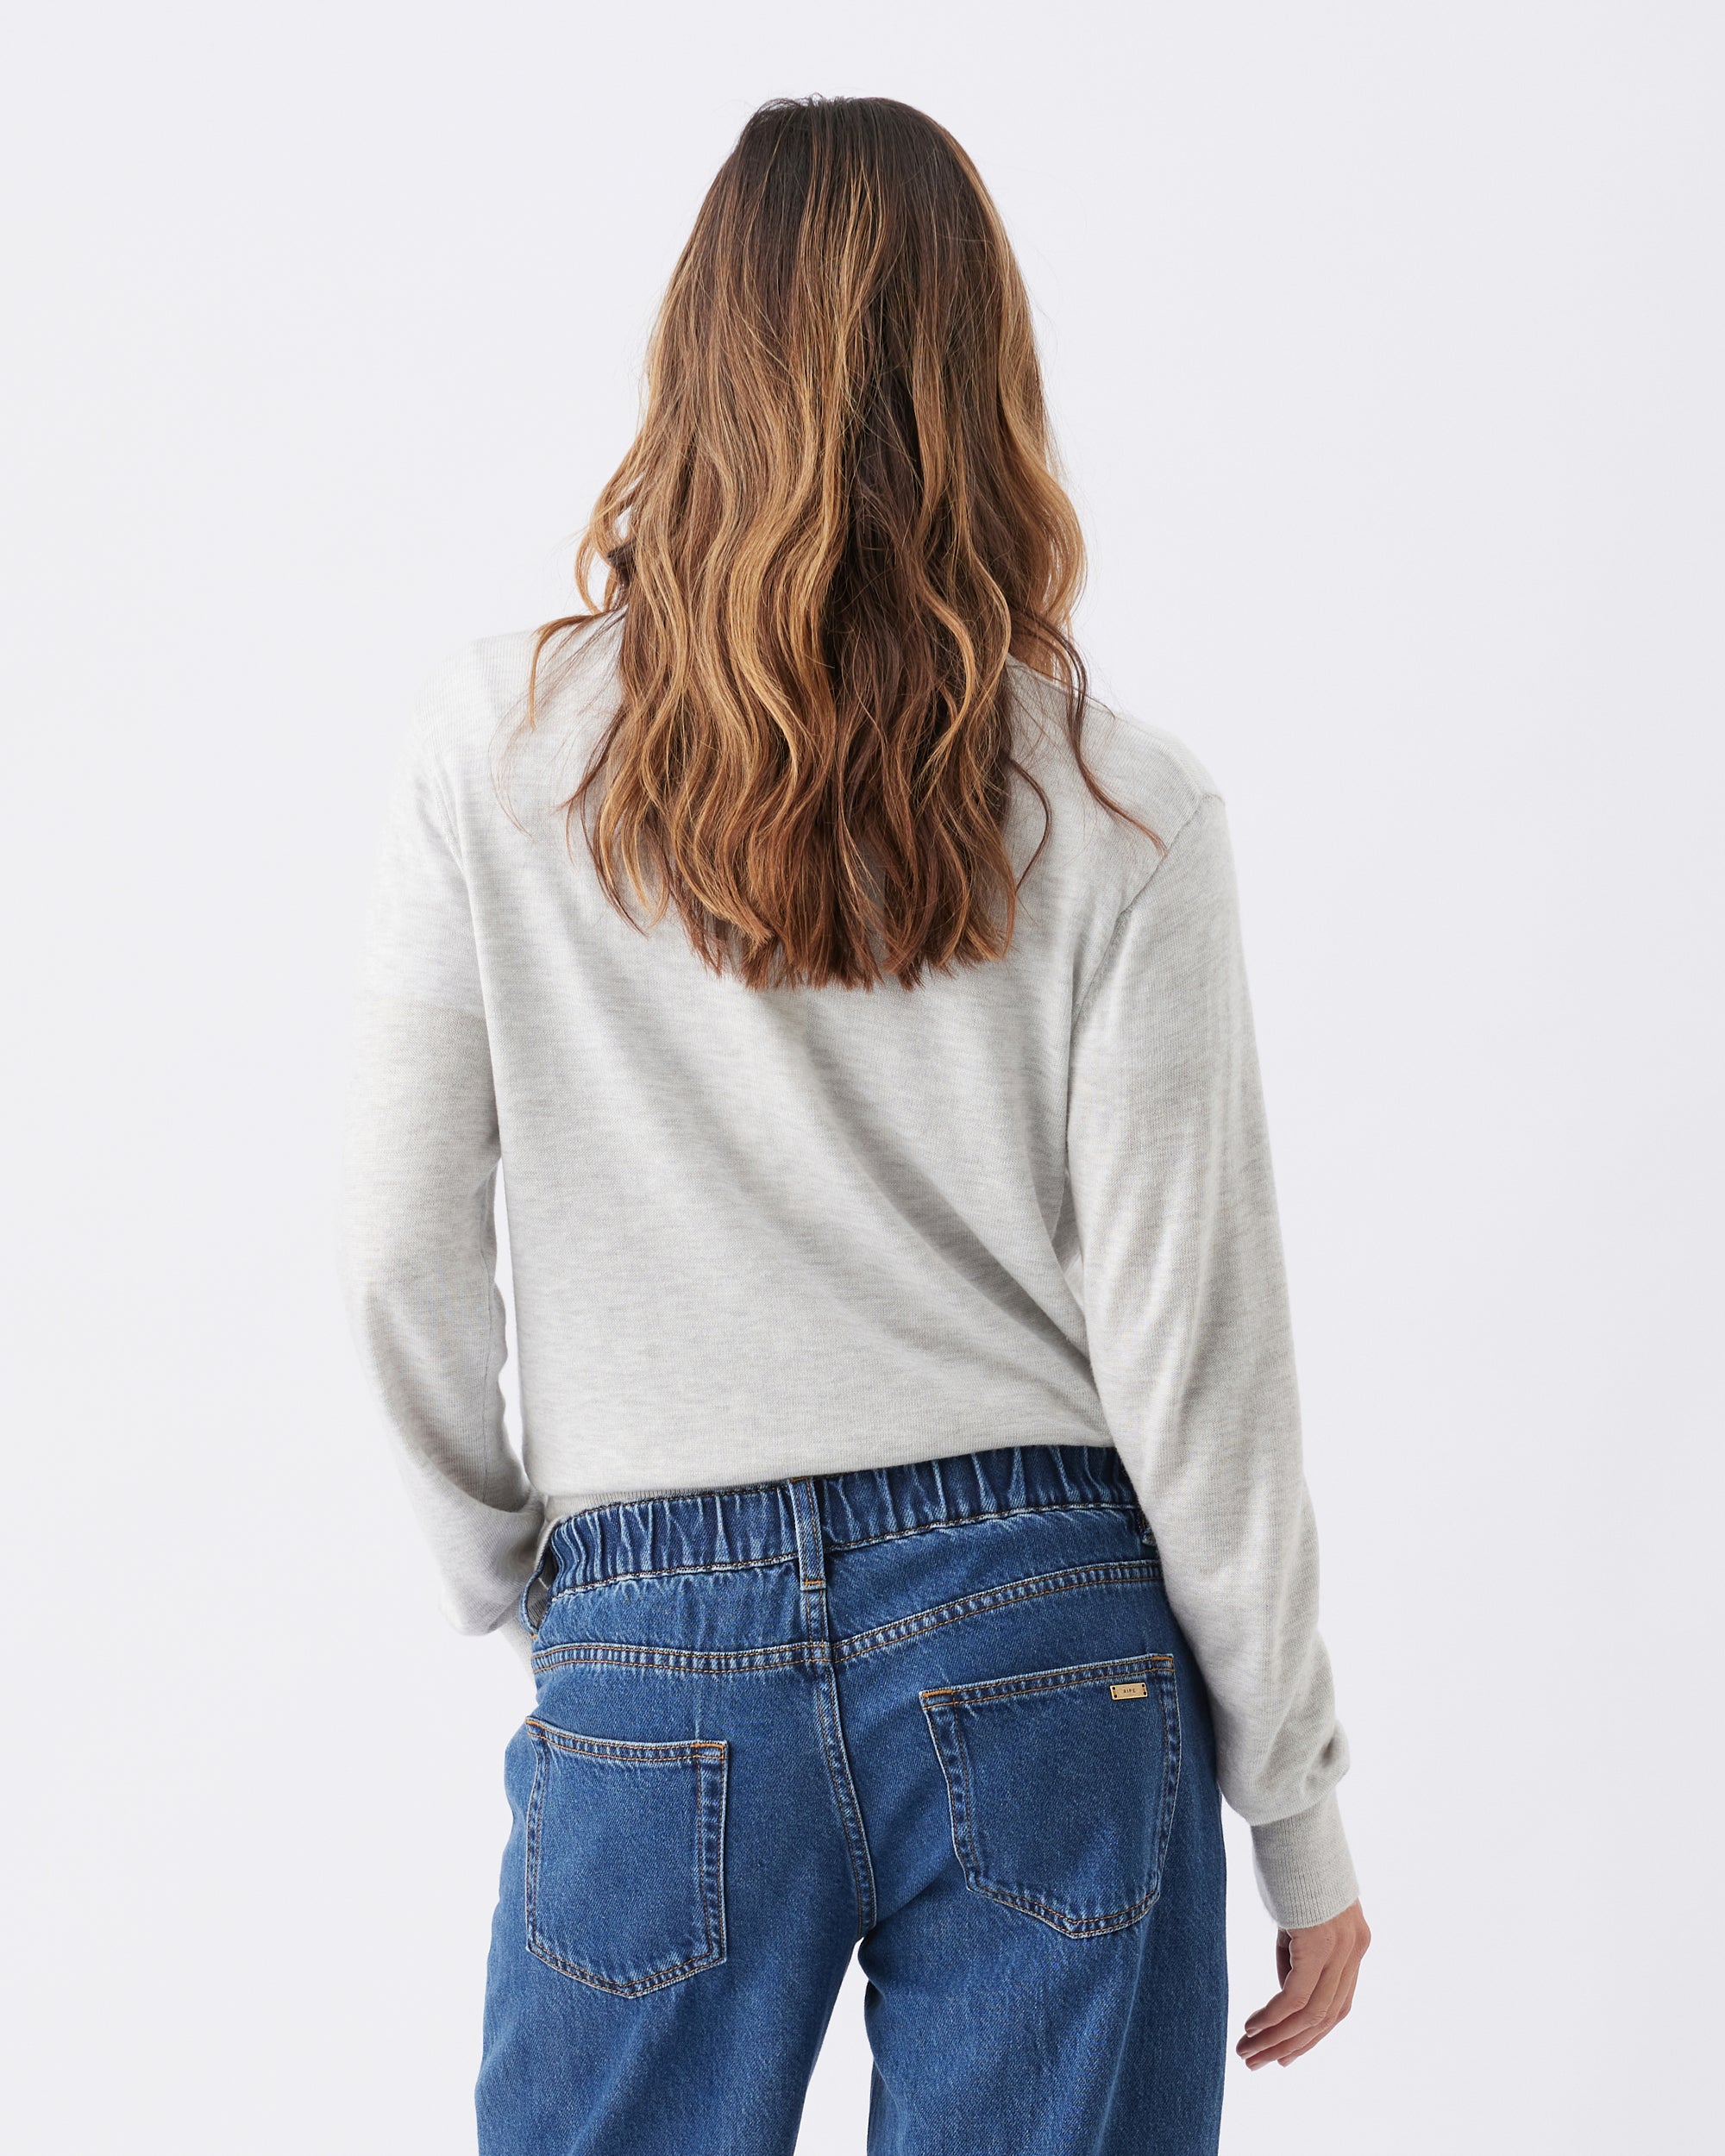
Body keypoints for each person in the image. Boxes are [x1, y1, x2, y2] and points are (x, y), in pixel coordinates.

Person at [339, 91, 1369, 2156]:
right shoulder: (1121, 807)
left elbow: (397, 1240)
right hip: (1051, 1627)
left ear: (694, 359)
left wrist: (545, 1584)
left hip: (652, 1626)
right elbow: (1198, 1349)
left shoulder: (499, 748)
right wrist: (1303, 1810)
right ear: (987, 383)